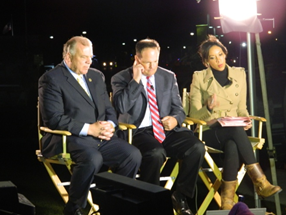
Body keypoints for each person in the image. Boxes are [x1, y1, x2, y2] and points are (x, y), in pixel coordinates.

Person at [38, 36, 141, 215]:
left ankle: (112, 204)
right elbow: (53, 119)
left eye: (91, 57)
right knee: (93, 158)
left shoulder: (95, 76)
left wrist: (109, 124)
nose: (89, 61)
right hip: (69, 137)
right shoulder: (52, 79)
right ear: (68, 58)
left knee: (132, 155)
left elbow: (108, 109)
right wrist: (89, 128)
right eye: (83, 57)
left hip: (100, 136)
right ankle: (74, 208)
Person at [111, 38, 205, 215]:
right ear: (137, 59)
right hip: (137, 130)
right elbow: (122, 107)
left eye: (155, 61)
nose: (152, 67)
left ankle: (181, 196)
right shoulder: (121, 78)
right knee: (155, 153)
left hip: (165, 129)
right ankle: (149, 201)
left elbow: (179, 109)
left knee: (197, 147)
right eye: (147, 62)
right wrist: (136, 81)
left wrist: (175, 119)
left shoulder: (167, 76)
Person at [189, 35, 282, 210]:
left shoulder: (239, 74)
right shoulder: (199, 77)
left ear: (225, 54)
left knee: (233, 142)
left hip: (233, 129)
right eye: (212, 57)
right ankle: (260, 182)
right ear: (206, 62)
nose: (218, 60)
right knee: (235, 132)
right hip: (208, 130)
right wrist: (208, 107)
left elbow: (241, 108)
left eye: (220, 55)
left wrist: (246, 120)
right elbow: (193, 114)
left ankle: (227, 202)